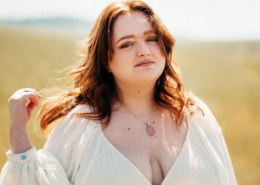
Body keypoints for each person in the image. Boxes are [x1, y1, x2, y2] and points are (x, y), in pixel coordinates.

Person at [0, 0, 237, 185]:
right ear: (105, 60)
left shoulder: (196, 117)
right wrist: (18, 131)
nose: (143, 50)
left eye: (151, 39)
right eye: (126, 44)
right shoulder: (80, 126)